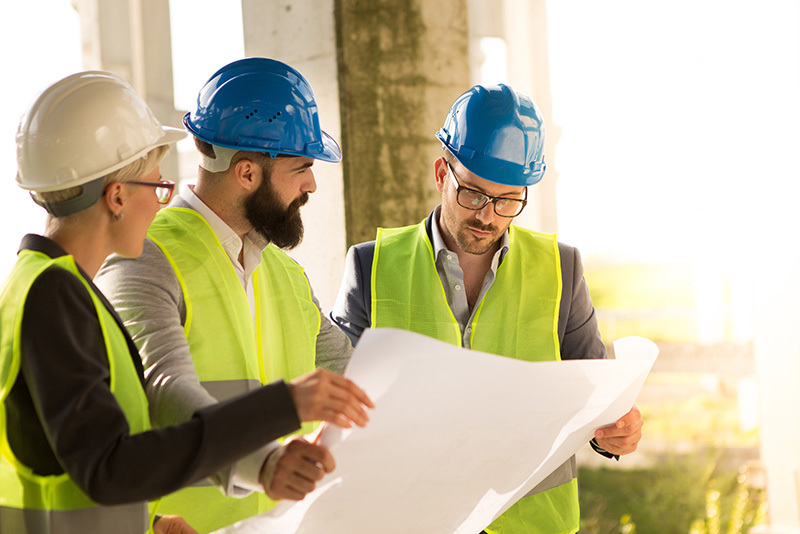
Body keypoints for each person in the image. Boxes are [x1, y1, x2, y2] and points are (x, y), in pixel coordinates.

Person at [0, 71, 372, 534]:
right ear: (116, 196)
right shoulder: (57, 293)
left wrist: (148, 522)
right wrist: (282, 412)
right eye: (156, 188)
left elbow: (87, 454)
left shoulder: (56, 288)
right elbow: (113, 457)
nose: (162, 203)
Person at [330, 84, 643, 534]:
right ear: (442, 173)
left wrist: (615, 434)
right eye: (473, 194)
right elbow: (337, 403)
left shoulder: (563, 268)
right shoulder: (370, 264)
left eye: (508, 200)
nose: (488, 217)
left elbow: (596, 399)